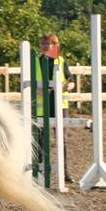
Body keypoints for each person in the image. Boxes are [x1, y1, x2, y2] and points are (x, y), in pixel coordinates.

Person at [33, 33, 74, 183]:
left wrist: (68, 87)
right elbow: (31, 82)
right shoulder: (36, 61)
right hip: (42, 107)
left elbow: (71, 81)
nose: (44, 46)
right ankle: (41, 171)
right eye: (43, 43)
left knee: (62, 140)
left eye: (47, 43)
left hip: (60, 106)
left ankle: (65, 172)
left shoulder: (62, 61)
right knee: (41, 141)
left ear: (55, 45)